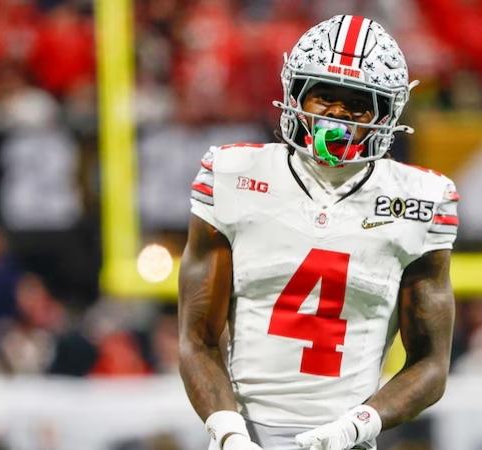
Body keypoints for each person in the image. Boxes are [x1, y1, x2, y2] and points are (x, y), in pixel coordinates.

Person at [179, 15, 459, 450]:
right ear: (296, 95)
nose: (338, 114)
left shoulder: (419, 200)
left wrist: (357, 426)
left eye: (359, 103)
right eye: (325, 95)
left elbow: (431, 365)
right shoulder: (234, 174)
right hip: (244, 434)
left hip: (345, 440)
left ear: (386, 113)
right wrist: (229, 431)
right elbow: (197, 338)